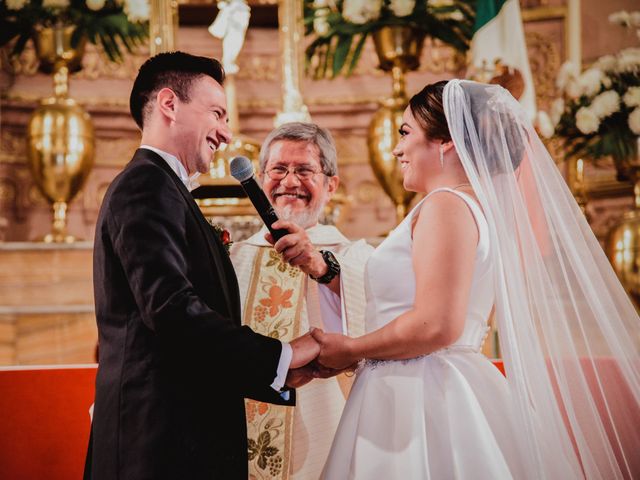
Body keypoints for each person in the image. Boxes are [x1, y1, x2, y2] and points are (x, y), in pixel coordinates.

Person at [308, 80, 640, 478]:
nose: (396, 149)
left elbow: (437, 324)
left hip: (418, 392)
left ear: (445, 141)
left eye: (405, 132)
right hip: (422, 381)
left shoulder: (446, 206)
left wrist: (351, 349)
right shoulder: (471, 206)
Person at [84, 52, 320, 480]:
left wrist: (279, 374)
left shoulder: (166, 188)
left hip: (179, 436)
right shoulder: (146, 184)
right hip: (160, 446)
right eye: (217, 114)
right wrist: (281, 357)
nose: (227, 134)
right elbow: (172, 310)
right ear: (169, 105)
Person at [230, 122, 373, 479]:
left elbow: (378, 325)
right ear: (261, 179)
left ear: (331, 185)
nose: (290, 182)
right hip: (235, 431)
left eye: (304, 170)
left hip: (330, 427)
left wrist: (323, 269)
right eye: (278, 169)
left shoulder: (356, 258)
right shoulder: (232, 257)